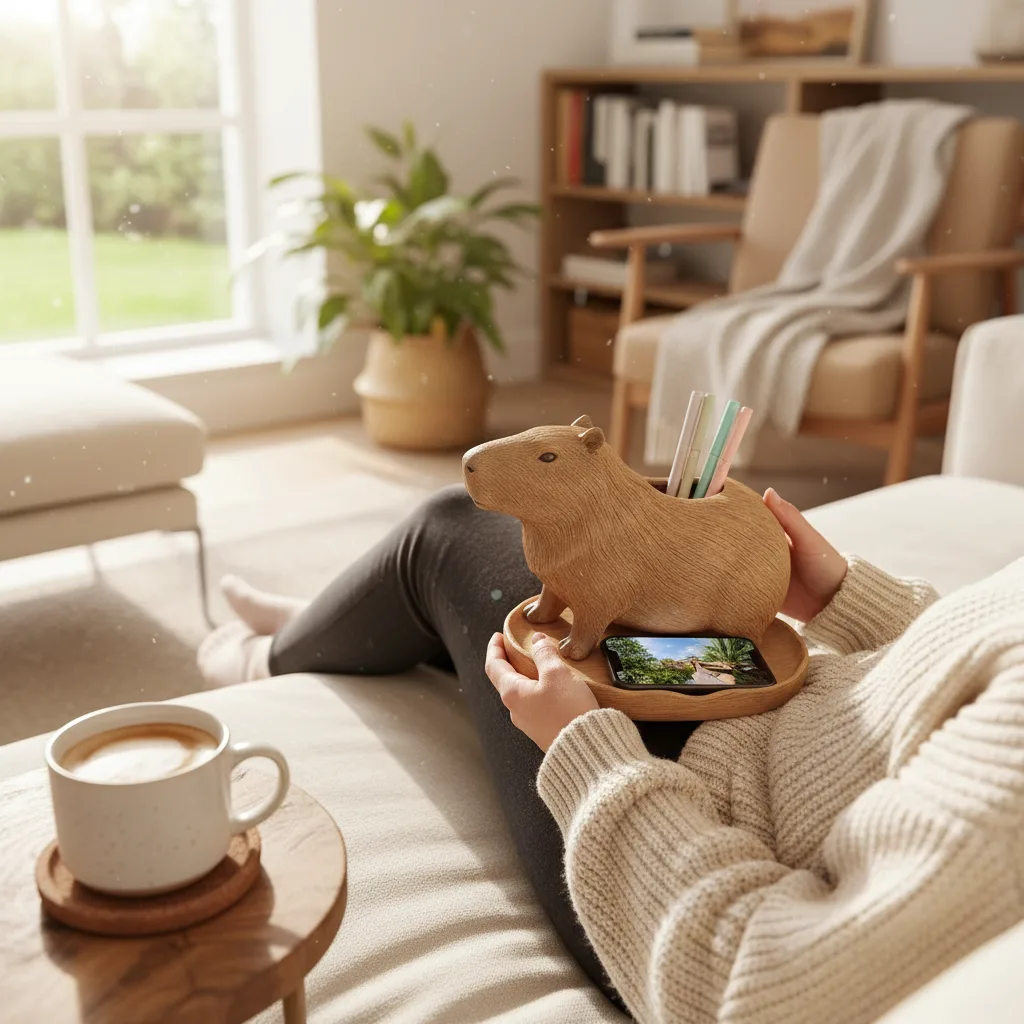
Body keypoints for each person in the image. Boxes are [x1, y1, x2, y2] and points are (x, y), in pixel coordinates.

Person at [199, 484, 1024, 1024]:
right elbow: (980, 661)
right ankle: (336, 626)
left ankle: (273, 657)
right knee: (557, 588)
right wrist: (855, 601)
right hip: (768, 702)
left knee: (447, 533)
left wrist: (585, 751)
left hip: (695, 802)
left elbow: (760, 986)